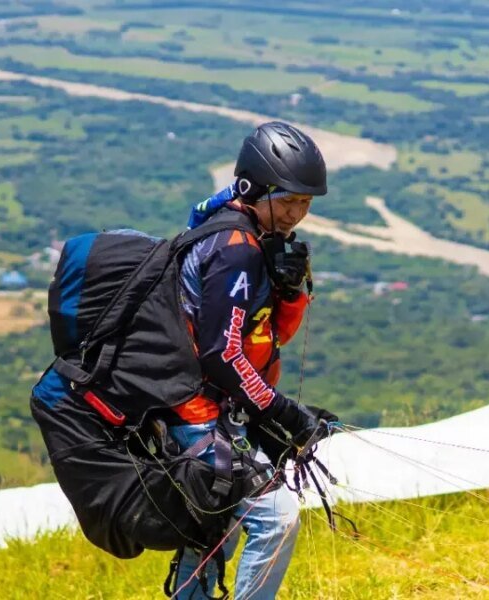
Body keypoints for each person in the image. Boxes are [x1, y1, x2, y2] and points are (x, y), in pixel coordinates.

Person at [167, 121, 329, 599]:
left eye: (305, 203)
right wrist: (279, 410)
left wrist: (288, 290)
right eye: (289, 200)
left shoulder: (247, 233)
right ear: (254, 191)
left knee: (215, 528)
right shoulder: (235, 250)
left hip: (216, 407)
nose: (297, 214)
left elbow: (270, 336)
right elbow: (223, 353)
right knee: (276, 518)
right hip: (195, 411)